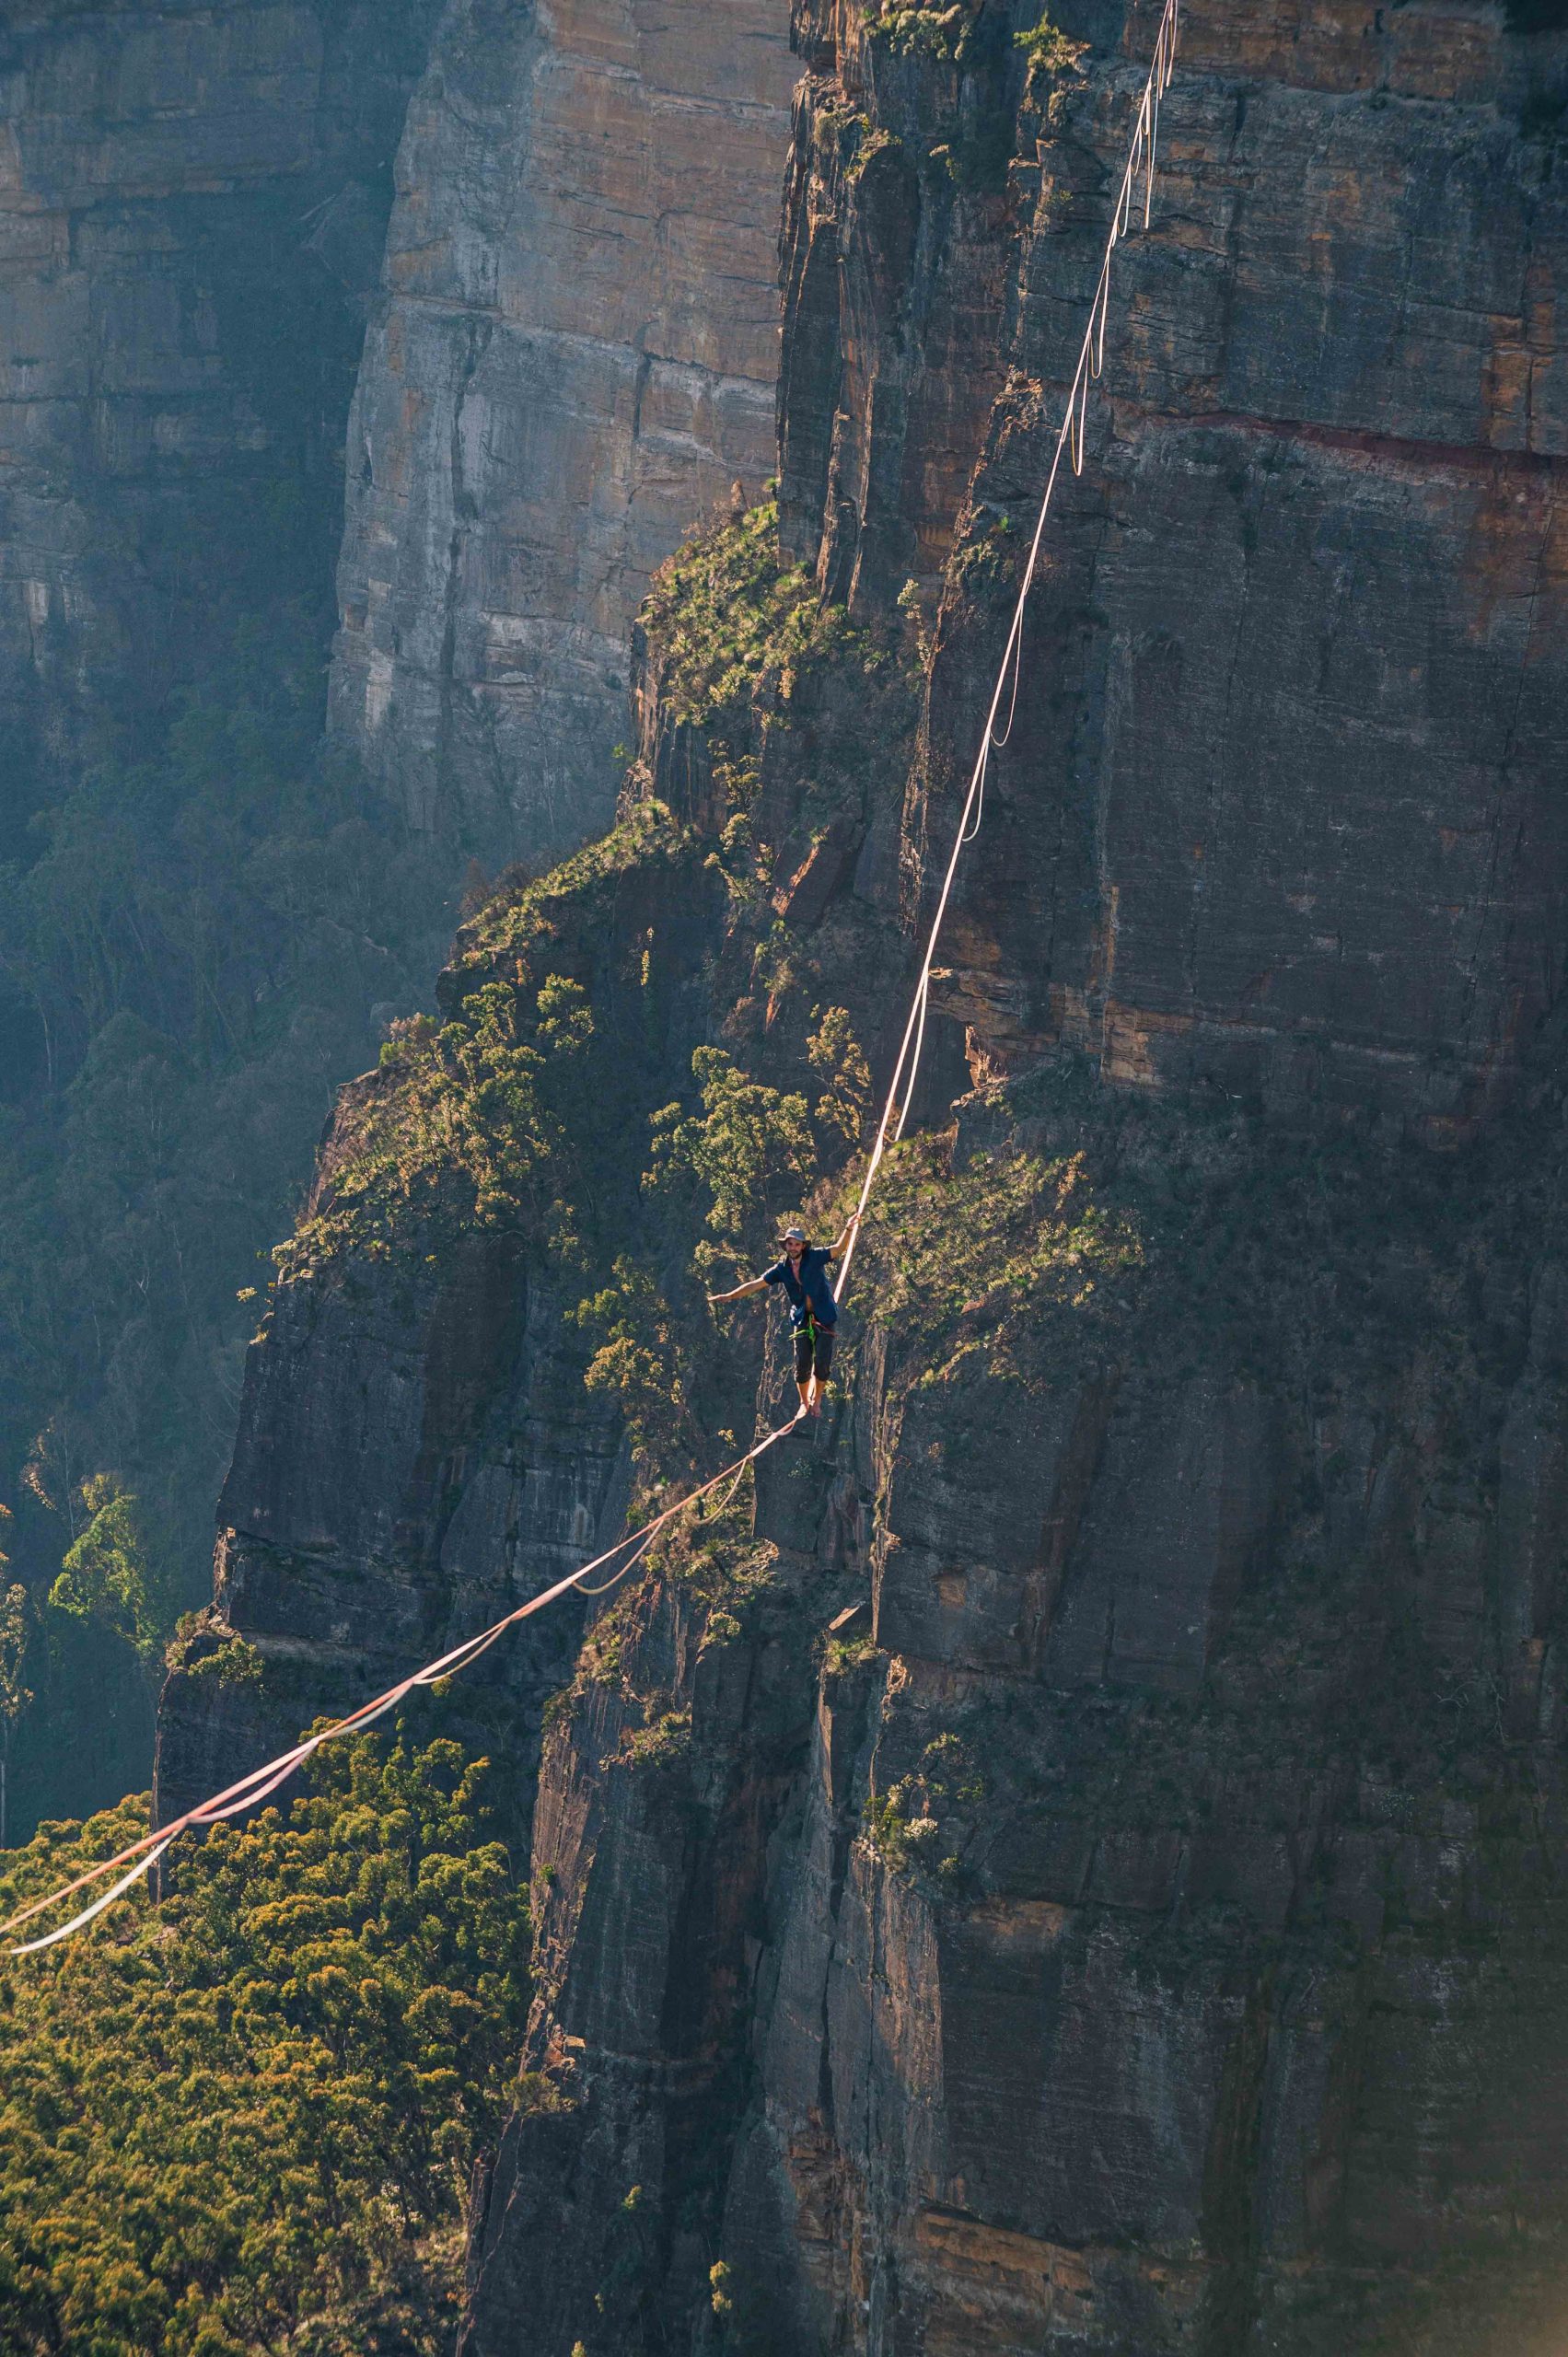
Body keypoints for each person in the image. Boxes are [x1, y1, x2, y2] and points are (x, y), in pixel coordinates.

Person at [707, 1211, 861, 1420]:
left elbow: (838, 1249)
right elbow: (757, 1284)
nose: (793, 1248)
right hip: (801, 1317)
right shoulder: (782, 1269)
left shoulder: (814, 1257)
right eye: (790, 1244)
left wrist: (848, 1228)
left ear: (803, 1246)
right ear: (786, 1246)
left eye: (797, 1244)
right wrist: (730, 1296)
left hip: (824, 1315)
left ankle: (817, 1402)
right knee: (802, 1362)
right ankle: (804, 1402)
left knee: (823, 1361)